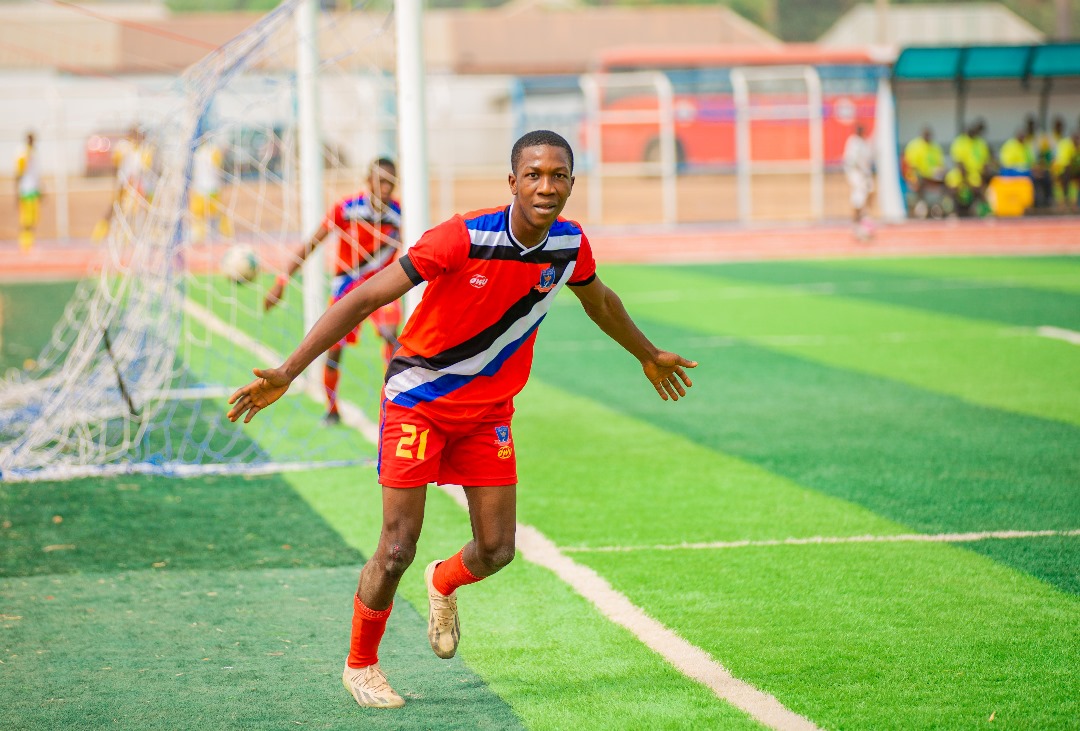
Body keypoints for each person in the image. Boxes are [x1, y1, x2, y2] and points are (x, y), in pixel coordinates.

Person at [226, 130, 698, 709]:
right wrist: (288, 370)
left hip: (487, 413)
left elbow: (600, 301)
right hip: (418, 400)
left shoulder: (570, 246)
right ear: (512, 182)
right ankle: (361, 665)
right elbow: (365, 297)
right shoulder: (462, 236)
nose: (545, 186)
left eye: (557, 176)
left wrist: (648, 355)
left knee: (498, 550)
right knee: (397, 545)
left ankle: (443, 581)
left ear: (572, 184)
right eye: (534, 175)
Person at [263, 157, 403, 425]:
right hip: (347, 287)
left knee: (390, 336)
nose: (386, 187)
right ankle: (331, 406)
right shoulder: (346, 209)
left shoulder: (399, 214)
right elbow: (312, 243)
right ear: (368, 181)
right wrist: (281, 282)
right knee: (334, 349)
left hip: (383, 287)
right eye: (381, 181)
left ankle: (392, 404)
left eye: (390, 182)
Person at [92, 125, 153, 242]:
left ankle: (135, 234)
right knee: (117, 209)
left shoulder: (142, 151)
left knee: (138, 210)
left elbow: (145, 168)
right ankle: (101, 233)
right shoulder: (124, 147)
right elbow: (117, 162)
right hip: (125, 184)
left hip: (137, 185)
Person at [189, 138, 233, 242]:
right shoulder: (214, 151)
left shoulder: (198, 153)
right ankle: (224, 234)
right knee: (217, 213)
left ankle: (200, 236)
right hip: (212, 188)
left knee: (200, 215)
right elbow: (219, 169)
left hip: (200, 189)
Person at [902, 126, 947, 218]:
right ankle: (921, 204)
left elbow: (940, 165)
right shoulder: (914, 146)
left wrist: (940, 172)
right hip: (915, 176)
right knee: (919, 181)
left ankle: (939, 207)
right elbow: (911, 166)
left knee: (947, 181)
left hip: (931, 176)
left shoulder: (935, 147)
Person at [842, 123, 874, 240]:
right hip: (856, 174)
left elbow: (868, 159)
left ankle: (865, 219)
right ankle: (857, 224)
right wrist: (861, 173)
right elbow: (852, 162)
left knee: (869, 193)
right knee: (858, 198)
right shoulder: (854, 143)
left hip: (864, 174)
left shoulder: (865, 143)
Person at [14, 131, 42, 253]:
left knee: (33, 219)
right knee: (25, 220)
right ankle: (24, 245)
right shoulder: (23, 153)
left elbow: (35, 175)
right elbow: (18, 174)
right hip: (26, 191)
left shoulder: (34, 153)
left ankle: (30, 243)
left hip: (33, 191)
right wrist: (17, 191)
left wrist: (40, 188)